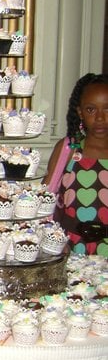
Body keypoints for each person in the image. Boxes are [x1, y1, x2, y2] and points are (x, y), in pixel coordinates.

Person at [43, 72, 108, 257]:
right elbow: (46, 199)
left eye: (107, 109)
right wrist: (53, 239)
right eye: (91, 109)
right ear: (80, 112)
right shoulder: (69, 150)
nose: (100, 117)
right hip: (72, 247)